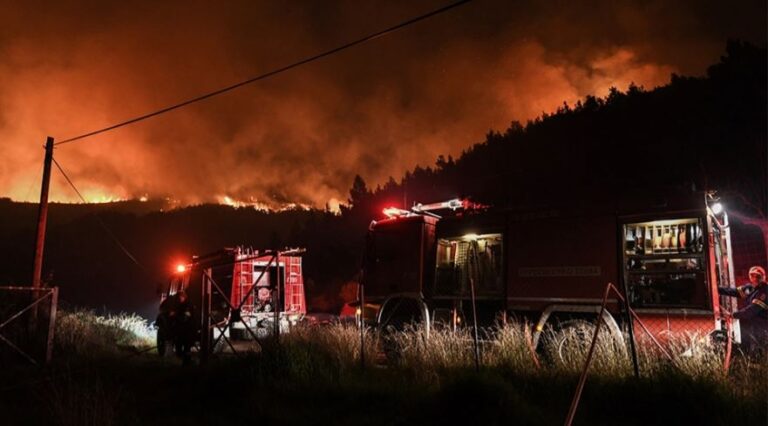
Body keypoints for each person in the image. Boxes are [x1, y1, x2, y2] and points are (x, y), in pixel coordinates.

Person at [718, 266, 768, 351]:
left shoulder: (764, 291)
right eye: (752, 275)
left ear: (763, 277)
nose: (755, 278)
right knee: (752, 347)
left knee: (761, 347)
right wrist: (717, 289)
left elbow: (752, 310)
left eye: (758, 276)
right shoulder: (751, 288)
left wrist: (733, 315)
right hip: (753, 324)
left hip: (763, 325)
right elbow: (733, 291)